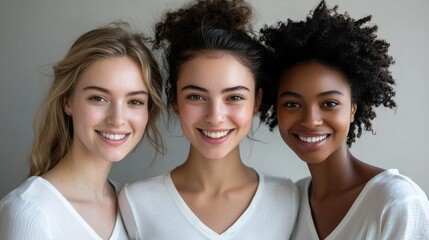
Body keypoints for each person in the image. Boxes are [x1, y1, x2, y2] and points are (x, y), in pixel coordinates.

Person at [118, 0, 299, 239]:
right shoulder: (137, 202)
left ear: (256, 101)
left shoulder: (289, 198)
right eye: (196, 96)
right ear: (174, 100)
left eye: (234, 97)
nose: (215, 116)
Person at [260, 1, 429, 239]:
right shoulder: (291, 201)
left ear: (352, 109)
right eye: (292, 104)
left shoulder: (396, 201)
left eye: (329, 103)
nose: (310, 120)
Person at [0, 22, 164, 240]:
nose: (117, 119)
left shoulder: (131, 207)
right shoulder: (30, 211)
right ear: (67, 102)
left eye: (134, 101)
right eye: (98, 98)